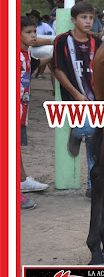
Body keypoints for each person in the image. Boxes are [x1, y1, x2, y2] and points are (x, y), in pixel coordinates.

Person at [52, 1, 102, 198]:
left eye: (91, 18)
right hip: (75, 98)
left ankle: (92, 186)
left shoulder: (97, 42)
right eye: (83, 17)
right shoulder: (62, 40)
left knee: (94, 143)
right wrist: (76, 94)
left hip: (96, 99)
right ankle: (77, 133)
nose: (88, 21)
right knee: (90, 130)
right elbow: (57, 69)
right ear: (73, 20)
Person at [19, 16, 49, 208]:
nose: (33, 36)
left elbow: (35, 65)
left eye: (34, 31)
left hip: (21, 111)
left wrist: (56, 53)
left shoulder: (26, 54)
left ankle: (21, 180)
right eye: (28, 32)